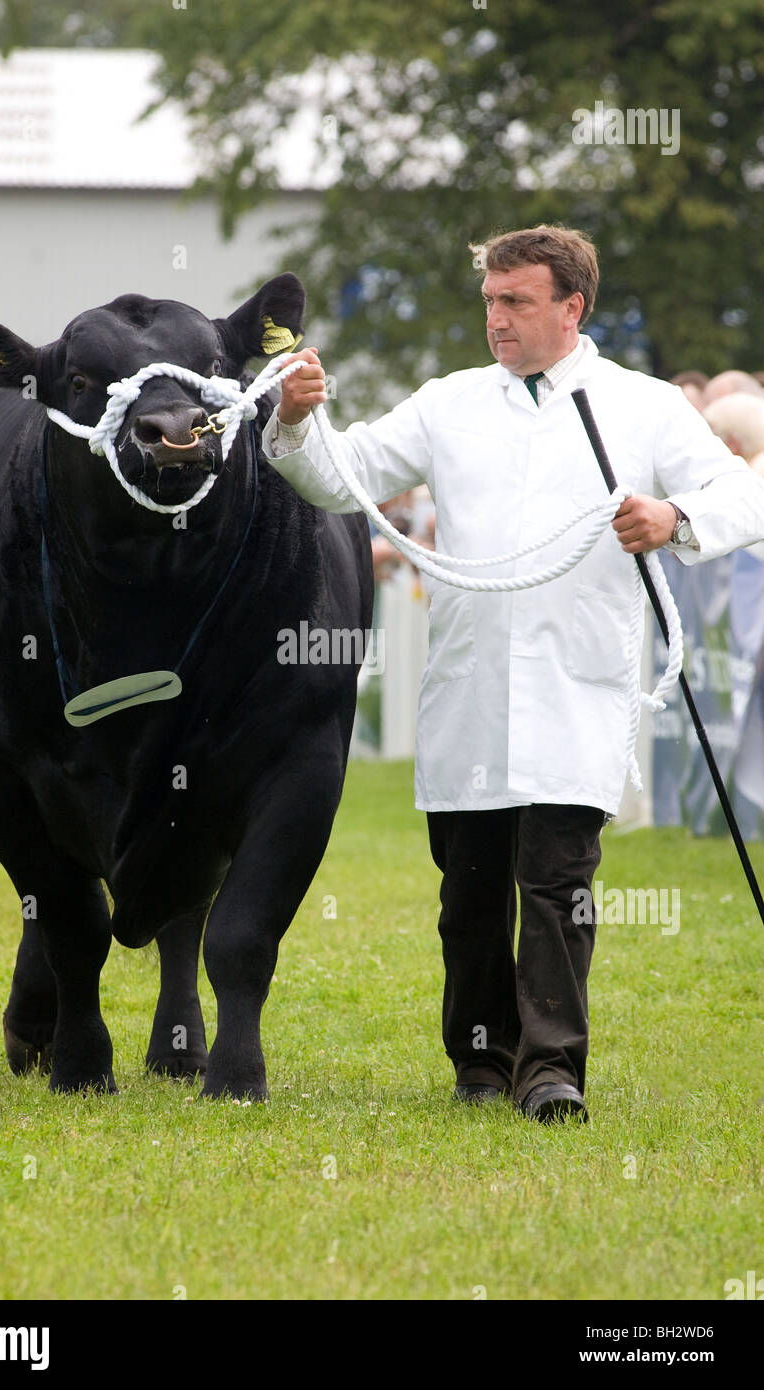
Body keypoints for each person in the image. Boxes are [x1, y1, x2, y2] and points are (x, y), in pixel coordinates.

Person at [261, 225, 764, 1123]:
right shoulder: (450, 402)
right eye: (491, 300)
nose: (496, 318)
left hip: (580, 685)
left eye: (516, 302)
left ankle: (551, 1070)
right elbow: (347, 476)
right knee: (470, 890)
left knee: (559, 880)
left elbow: (745, 491)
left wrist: (674, 515)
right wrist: (298, 418)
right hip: (470, 685)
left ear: (572, 308)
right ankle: (482, 1059)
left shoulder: (642, 406)